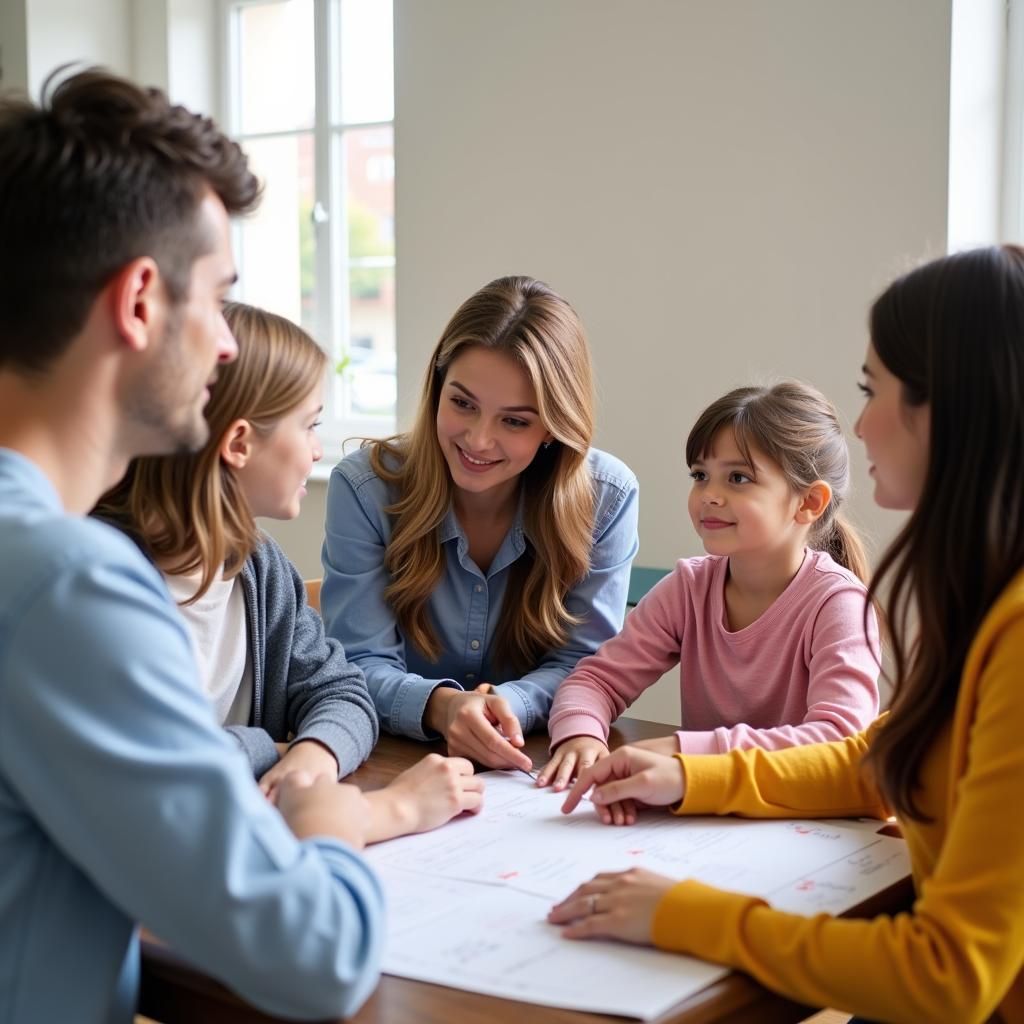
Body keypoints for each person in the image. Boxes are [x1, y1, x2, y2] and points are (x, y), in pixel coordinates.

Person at [0, 68, 481, 1024]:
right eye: (220, 298)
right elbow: (315, 958)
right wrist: (333, 818)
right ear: (140, 302)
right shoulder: (66, 584)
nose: (227, 346)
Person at [550, 246, 1024, 1024]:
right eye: (704, 473)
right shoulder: (978, 596)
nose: (863, 422)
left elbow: (949, 977)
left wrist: (686, 914)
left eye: (877, 390)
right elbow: (879, 763)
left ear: (955, 406)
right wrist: (689, 776)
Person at [321, 275, 639, 770]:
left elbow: (587, 668)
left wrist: (506, 706)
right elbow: (357, 663)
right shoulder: (365, 488)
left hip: (530, 766)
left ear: (554, 427)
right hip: (395, 763)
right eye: (463, 403)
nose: (478, 440)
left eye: (514, 421)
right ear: (436, 389)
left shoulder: (607, 496)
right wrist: (442, 707)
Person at [538, 382, 880, 810]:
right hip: (703, 818)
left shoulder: (841, 605)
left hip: (801, 826)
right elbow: (595, 680)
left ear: (808, 502)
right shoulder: (689, 588)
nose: (709, 496)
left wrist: (682, 754)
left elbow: (838, 741)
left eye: (738, 478)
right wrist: (580, 735)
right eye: (700, 476)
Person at [95, 301, 378, 799]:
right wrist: (272, 750)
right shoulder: (101, 577)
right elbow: (148, 757)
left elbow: (343, 691)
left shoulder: (262, 569)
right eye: (310, 425)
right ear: (240, 443)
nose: (316, 450)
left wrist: (315, 753)